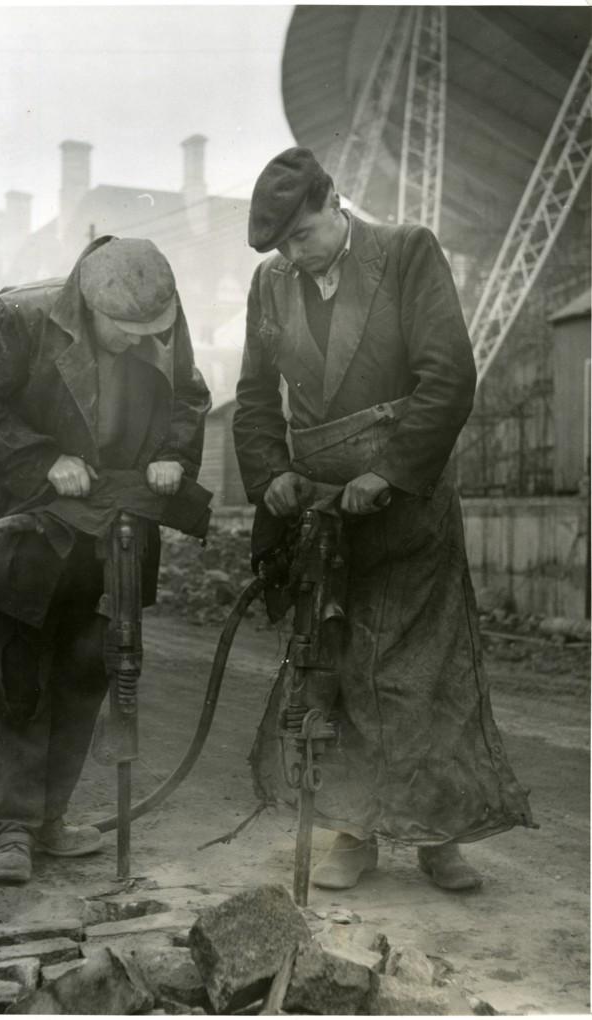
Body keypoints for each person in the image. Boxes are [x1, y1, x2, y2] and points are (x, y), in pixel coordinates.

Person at [233, 148, 534, 892]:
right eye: (282, 247)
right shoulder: (271, 283)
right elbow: (251, 399)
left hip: (407, 505)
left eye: (303, 236)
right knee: (333, 671)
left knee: (420, 676)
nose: (294, 256)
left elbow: (448, 377)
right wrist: (270, 475)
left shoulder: (405, 254)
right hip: (322, 518)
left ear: (335, 203)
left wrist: (388, 472)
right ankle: (352, 832)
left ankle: (438, 836)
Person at [0, 236, 211, 884]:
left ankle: (50, 820)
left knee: (86, 672)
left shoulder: (158, 317)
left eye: (152, 332)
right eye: (125, 331)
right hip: (24, 529)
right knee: (15, 679)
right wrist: (41, 460)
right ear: (88, 306)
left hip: (109, 531)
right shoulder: (20, 317)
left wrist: (173, 449)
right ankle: (9, 830)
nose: (142, 342)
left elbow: (189, 396)